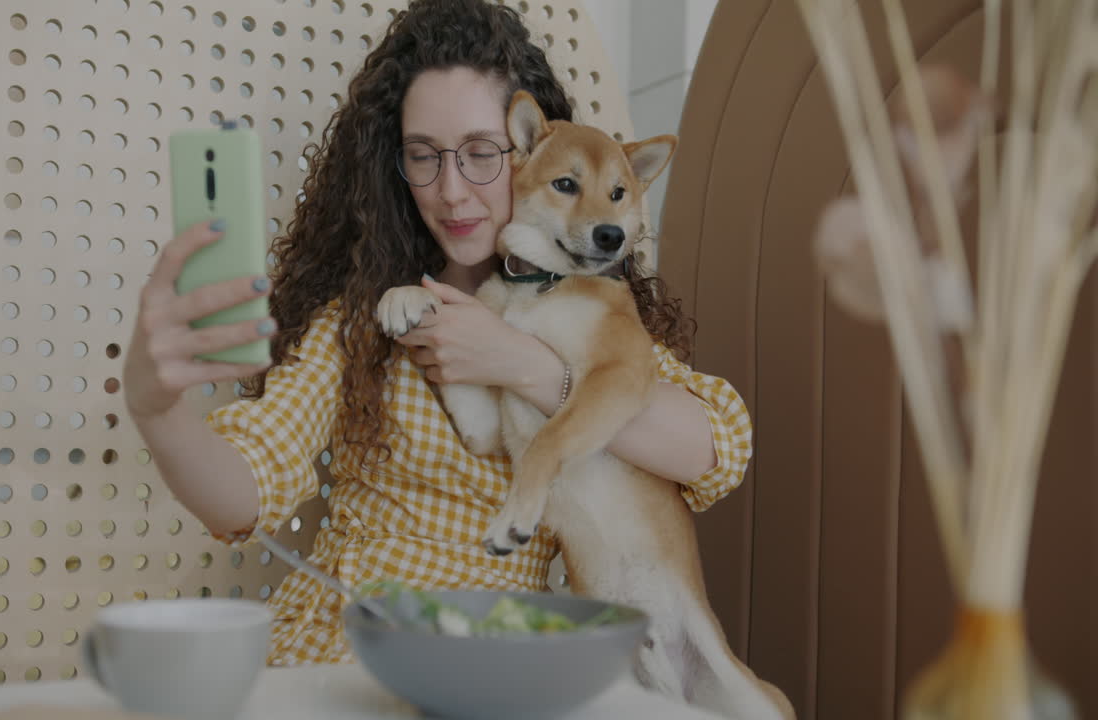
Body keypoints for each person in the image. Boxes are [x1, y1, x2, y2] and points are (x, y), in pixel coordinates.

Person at [122, 0, 752, 666]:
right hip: (339, 652)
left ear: (533, 146)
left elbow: (718, 448)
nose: (452, 192)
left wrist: (522, 365)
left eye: (483, 153)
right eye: (424, 157)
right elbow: (244, 491)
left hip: (492, 670)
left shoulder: (589, 313)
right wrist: (155, 408)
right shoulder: (364, 319)